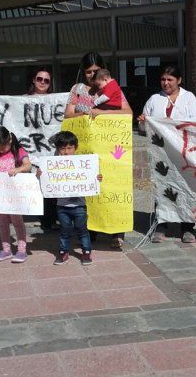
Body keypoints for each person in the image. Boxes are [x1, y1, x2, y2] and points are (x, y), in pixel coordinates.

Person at [64, 52, 132, 249]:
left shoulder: (112, 87)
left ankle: (115, 232)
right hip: (87, 147)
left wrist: (102, 113)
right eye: (88, 72)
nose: (92, 75)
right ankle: (90, 230)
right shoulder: (78, 89)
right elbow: (68, 114)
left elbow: (127, 112)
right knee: (89, 187)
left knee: (112, 186)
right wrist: (85, 114)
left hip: (110, 147)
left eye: (95, 71)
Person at [138, 66, 196, 243]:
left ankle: (187, 227)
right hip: (161, 153)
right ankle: (161, 225)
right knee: (162, 186)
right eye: (163, 80)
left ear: (179, 80)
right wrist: (143, 122)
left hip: (184, 152)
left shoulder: (189, 98)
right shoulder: (154, 99)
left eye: (170, 80)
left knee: (186, 187)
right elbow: (144, 128)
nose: (166, 83)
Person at [36, 131, 101, 265]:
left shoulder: (83, 164)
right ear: (58, 149)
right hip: (62, 206)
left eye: (69, 148)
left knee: (82, 230)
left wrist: (97, 178)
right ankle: (63, 252)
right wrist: (40, 175)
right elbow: (46, 180)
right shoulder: (54, 164)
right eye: (62, 148)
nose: (66, 151)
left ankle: (86, 253)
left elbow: (91, 179)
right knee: (64, 231)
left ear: (75, 147)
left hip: (79, 206)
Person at [0, 126, 32, 263]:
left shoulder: (18, 150)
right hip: (0, 195)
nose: (0, 150)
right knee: (2, 223)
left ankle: (22, 250)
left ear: (10, 140)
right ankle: (6, 250)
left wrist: (18, 169)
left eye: (2, 147)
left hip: (15, 194)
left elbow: (28, 166)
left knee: (17, 222)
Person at [26, 68, 58, 230]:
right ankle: (44, 217)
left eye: (46, 80)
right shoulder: (24, 100)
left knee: (50, 181)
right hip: (33, 147)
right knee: (36, 183)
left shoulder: (55, 100)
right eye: (40, 79)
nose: (42, 82)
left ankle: (52, 219)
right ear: (34, 80)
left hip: (50, 148)